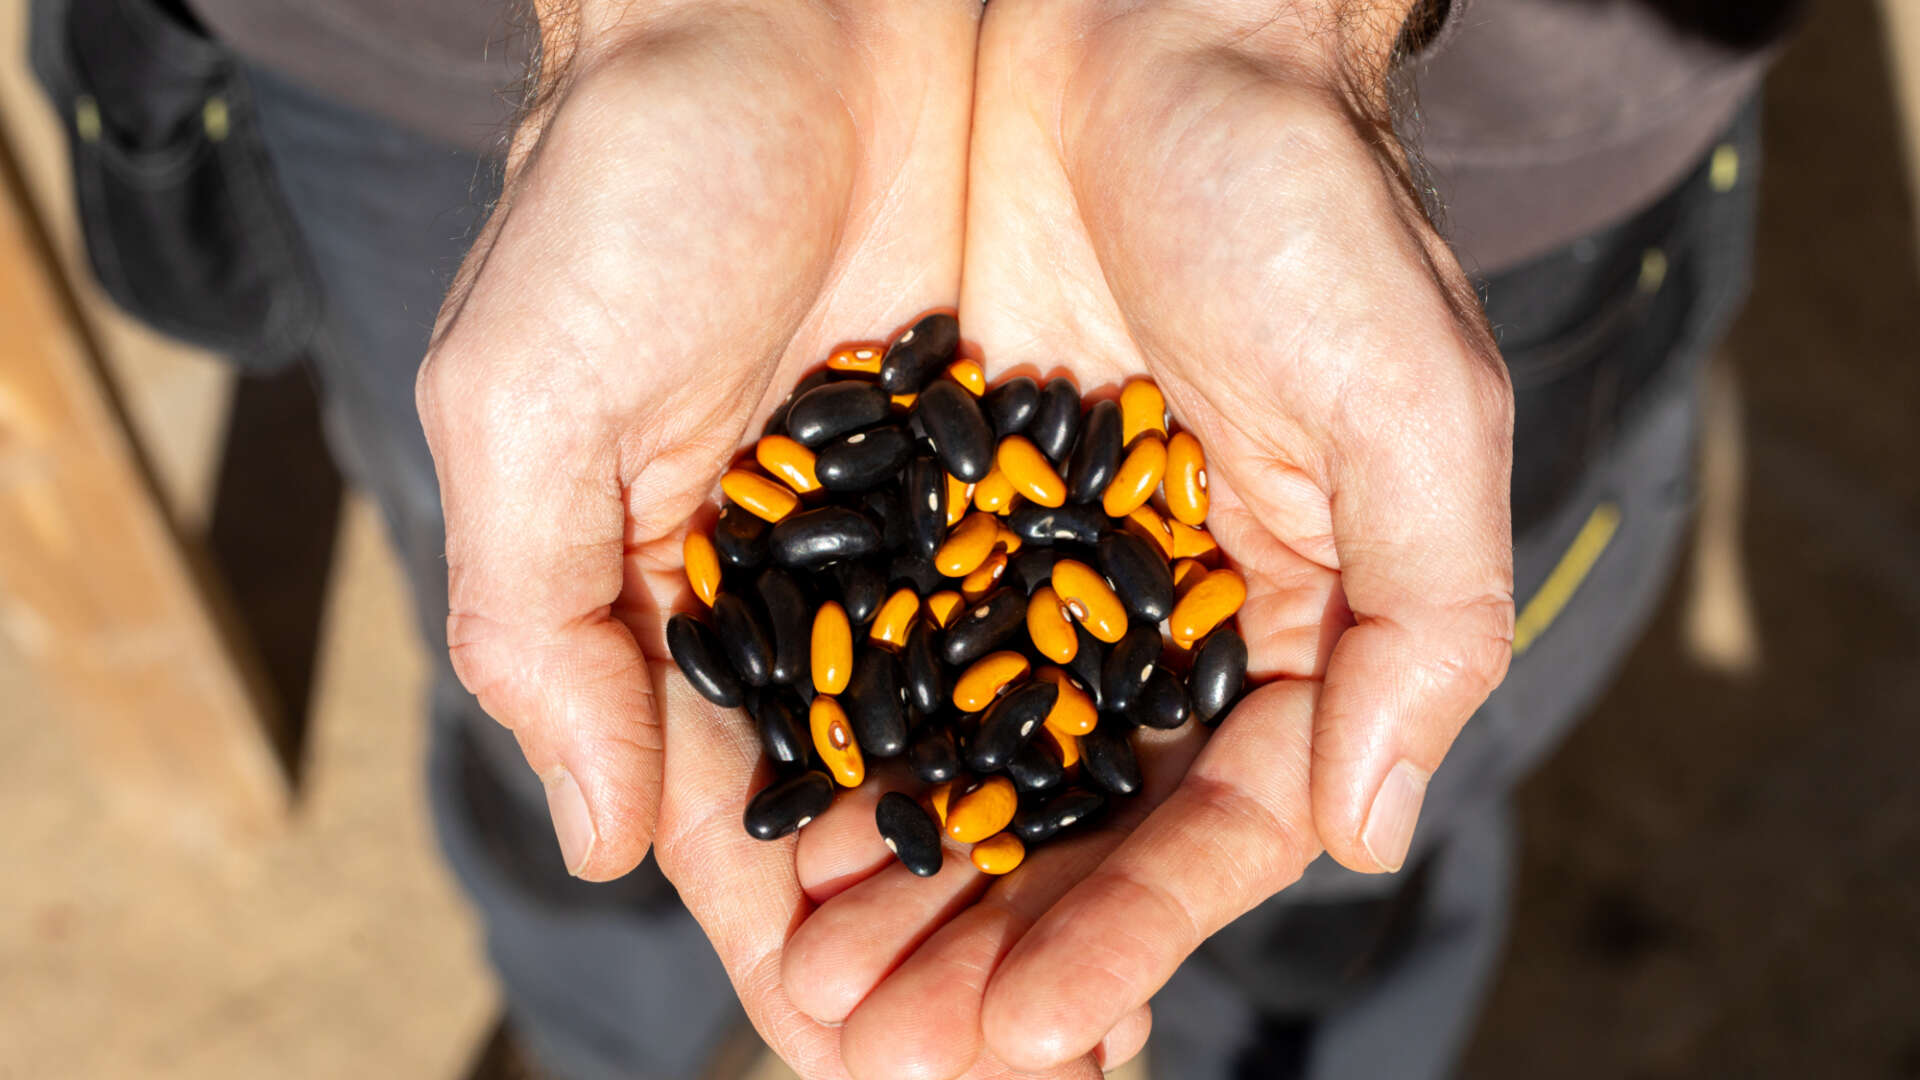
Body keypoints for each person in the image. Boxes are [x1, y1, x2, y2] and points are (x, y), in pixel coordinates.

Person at [34, 0, 1795, 1076]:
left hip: (1481, 132)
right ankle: (611, 1048)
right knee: (591, 749)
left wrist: (1258, 27)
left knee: (1341, 834)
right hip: (442, 77)